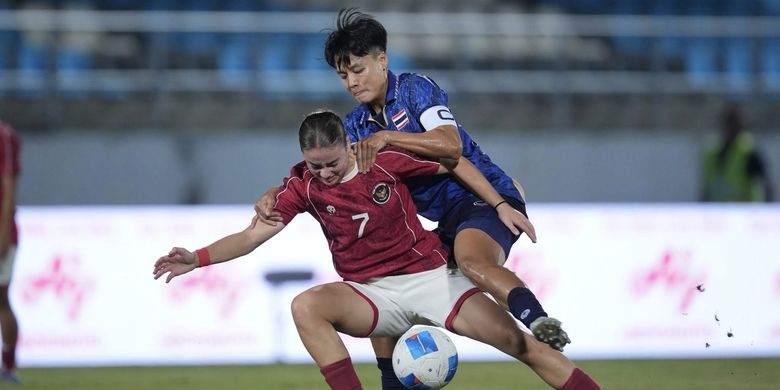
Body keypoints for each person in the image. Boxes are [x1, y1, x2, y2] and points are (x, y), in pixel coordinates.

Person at [154, 111, 599, 390]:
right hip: (371, 295)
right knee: (305, 306)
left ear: (348, 145)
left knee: (524, 347)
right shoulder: (302, 188)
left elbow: (453, 160)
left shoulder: (382, 161)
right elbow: (252, 235)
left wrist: (502, 197)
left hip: (430, 280)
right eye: (315, 166)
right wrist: (198, 258)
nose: (325, 173)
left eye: (332, 162)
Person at [255, 10, 570, 372]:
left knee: (471, 260)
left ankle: (539, 320)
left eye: (357, 70)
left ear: (382, 60)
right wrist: (274, 191)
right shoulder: (355, 125)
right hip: (444, 218)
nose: (351, 83)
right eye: (343, 76)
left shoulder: (415, 89)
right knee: (380, 279)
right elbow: (323, 167)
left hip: (483, 198)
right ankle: (392, 377)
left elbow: (451, 146)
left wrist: (500, 202)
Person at [701, 105, 774, 202]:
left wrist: (764, 213)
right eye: (729, 123)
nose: (731, 128)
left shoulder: (749, 152)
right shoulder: (712, 153)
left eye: (735, 124)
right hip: (719, 214)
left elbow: (767, 186)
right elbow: (707, 189)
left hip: (746, 214)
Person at [0, 120, 20, 384]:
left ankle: (8, 364)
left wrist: (4, 232)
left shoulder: (4, 136)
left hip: (1, 232)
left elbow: (9, 183)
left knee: (1, 299)